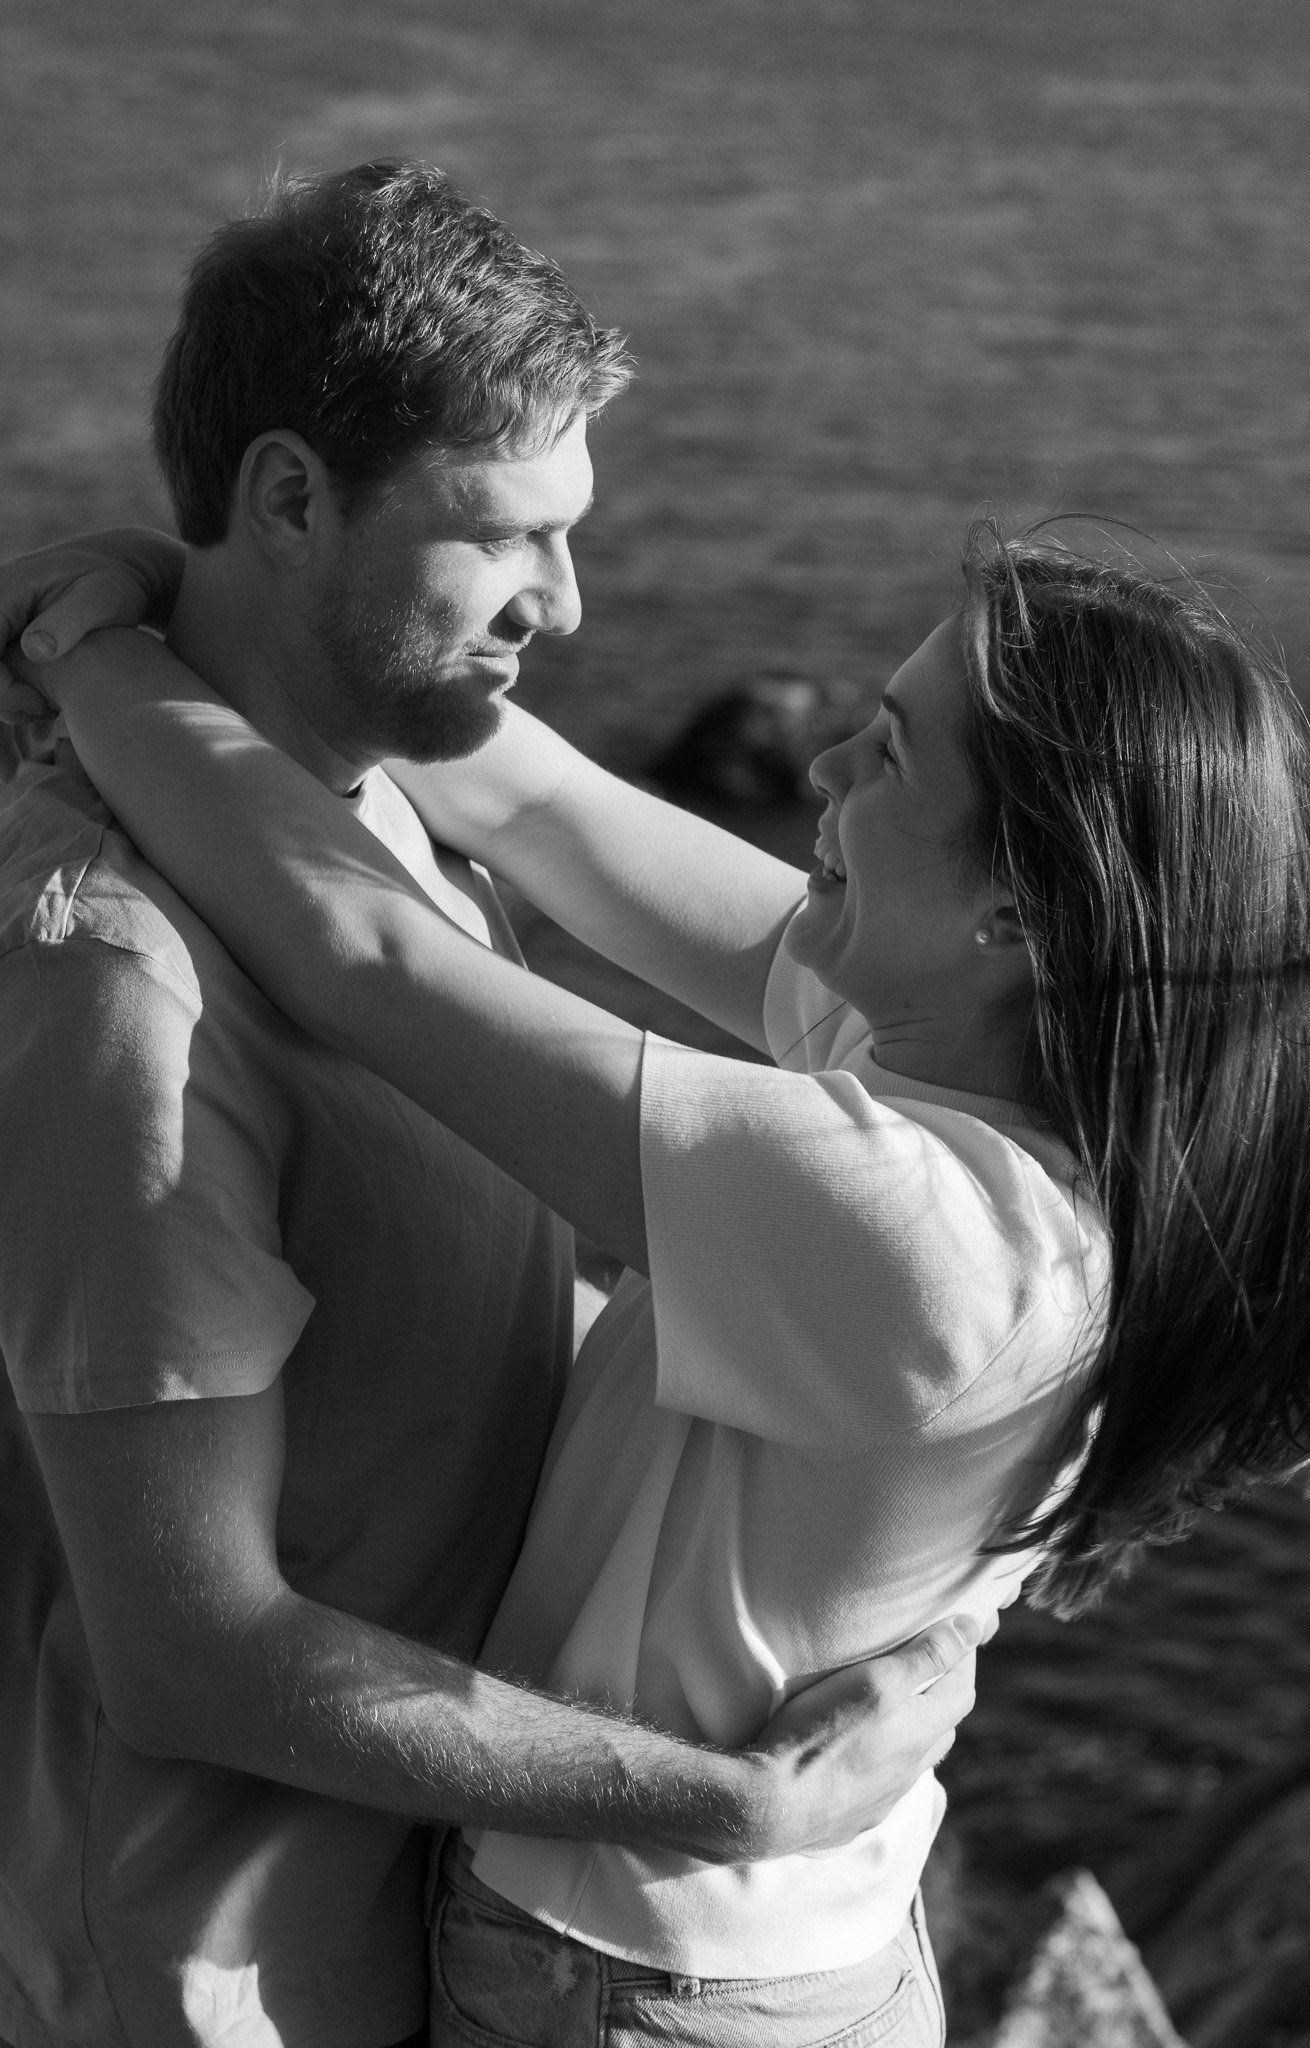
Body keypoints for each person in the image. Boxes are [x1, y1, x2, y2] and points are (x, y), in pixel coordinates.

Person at [10, 522, 1310, 2048]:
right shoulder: (1007, 1077)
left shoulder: (919, 1223)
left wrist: (90, 658)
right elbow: (544, 805)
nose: (823, 766)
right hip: (777, 1951)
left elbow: (363, 953)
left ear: (1017, 913)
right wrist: (215, 599)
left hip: (634, 1983)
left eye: (891, 757)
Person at [0, 161, 976, 2048]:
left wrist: (97, 627)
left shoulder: (385, 792)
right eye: (512, 537)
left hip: (421, 1920)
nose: (574, 604)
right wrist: (738, 1805)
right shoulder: (124, 986)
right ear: (289, 497)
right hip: (228, 1984)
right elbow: (187, 1652)